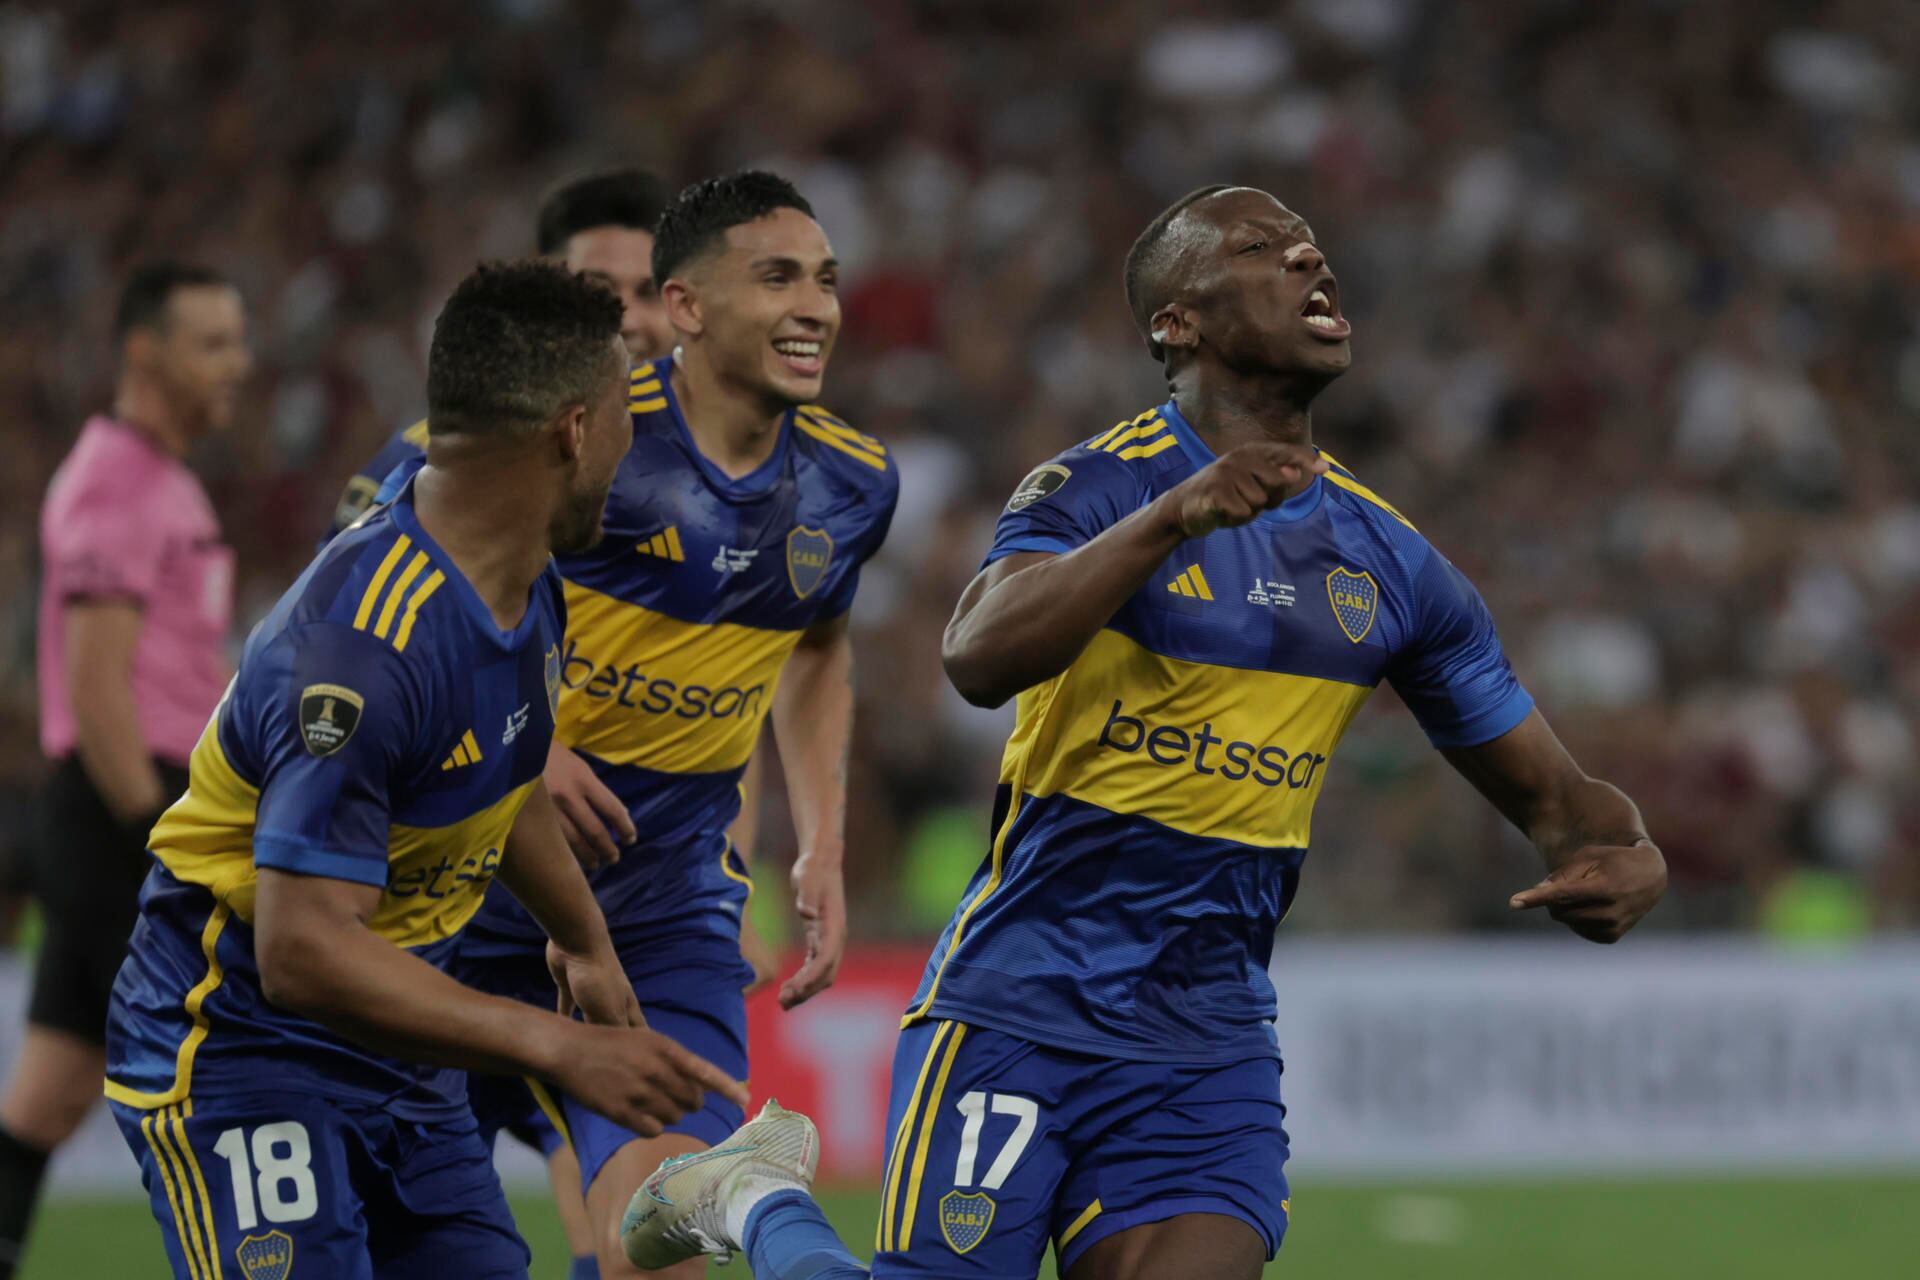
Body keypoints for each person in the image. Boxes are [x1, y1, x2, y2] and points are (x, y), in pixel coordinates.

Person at [619, 186, 1669, 1280]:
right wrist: (1173, 517)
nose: (1311, 258)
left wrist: (1626, 850)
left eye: (1311, 244)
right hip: (1022, 1000)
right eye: (1265, 250)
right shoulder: (1097, 484)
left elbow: (1564, 804)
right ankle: (749, 1191)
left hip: (1205, 1037)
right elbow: (976, 654)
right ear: (1179, 322)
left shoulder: (1395, 565)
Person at [103, 260, 747, 1280]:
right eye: (628, 411)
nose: (638, 444)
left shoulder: (525, 579)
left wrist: (585, 942)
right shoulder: (358, 650)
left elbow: (511, 769)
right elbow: (303, 951)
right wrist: (556, 1044)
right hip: (240, 1045)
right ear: (574, 430)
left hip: (403, 1062)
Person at [327, 167, 781, 1280]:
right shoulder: (436, 477)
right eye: (599, 286)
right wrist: (538, 749)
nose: (627, 314)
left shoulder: (710, 468)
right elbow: (369, 677)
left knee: (637, 1226)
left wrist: (736, 865)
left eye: (645, 289)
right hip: (438, 914)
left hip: (614, 905)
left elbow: (748, 682)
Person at [450, 169, 896, 1280]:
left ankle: (758, 1218)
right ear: (686, 308)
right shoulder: (586, 440)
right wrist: (529, 741)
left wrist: (821, 840)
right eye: (778, 276)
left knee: (662, 1228)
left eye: (828, 280)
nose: (815, 306)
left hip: (660, 897)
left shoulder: (852, 482)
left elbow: (819, 645)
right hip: (458, 879)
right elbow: (432, 591)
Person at [0, 263, 251, 1277]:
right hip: (130, 811)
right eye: (213, 343)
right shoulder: (114, 483)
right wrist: (168, 836)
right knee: (226, 1059)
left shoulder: (161, 480)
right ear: (145, 353)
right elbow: (99, 687)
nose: (236, 364)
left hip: (118, 810)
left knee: (51, 1093)